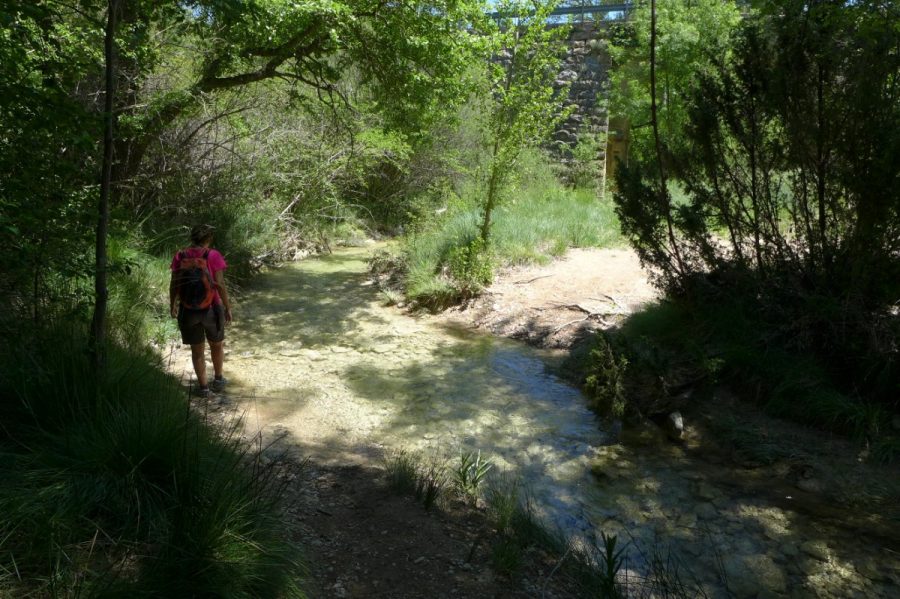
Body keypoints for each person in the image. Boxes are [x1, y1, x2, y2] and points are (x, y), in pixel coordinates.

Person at [169, 224, 233, 397]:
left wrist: (172, 304)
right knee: (217, 345)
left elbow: (174, 284)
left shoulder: (180, 256)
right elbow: (220, 285)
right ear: (208, 239)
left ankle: (204, 388)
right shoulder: (213, 255)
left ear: (192, 238)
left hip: (188, 311)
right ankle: (218, 380)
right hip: (212, 308)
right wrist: (227, 307)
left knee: (197, 351)